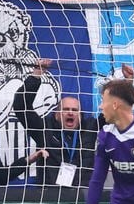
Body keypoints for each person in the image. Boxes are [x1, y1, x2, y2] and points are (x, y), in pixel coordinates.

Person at [12, 60, 99, 189]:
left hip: (83, 196)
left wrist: (128, 82)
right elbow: (21, 106)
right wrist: (37, 74)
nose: (70, 113)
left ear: (80, 116)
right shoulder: (44, 128)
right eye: (65, 109)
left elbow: (116, 112)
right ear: (57, 114)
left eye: (75, 110)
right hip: (50, 196)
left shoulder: (90, 129)